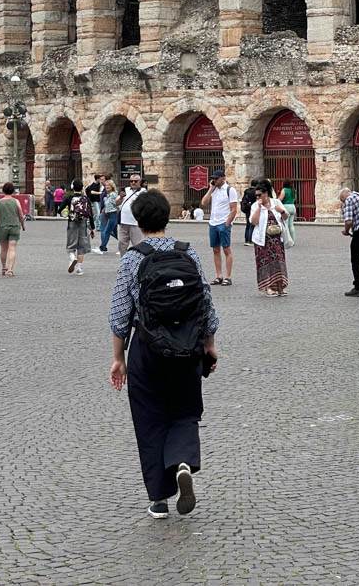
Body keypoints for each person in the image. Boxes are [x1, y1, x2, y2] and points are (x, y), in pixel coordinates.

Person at [108, 190, 219, 519]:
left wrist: (119, 359)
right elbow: (206, 303)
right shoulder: (189, 253)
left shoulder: (132, 258)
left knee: (149, 420)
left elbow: (119, 315)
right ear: (167, 217)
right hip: (187, 347)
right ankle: (182, 460)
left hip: (148, 349)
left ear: (139, 223)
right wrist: (209, 345)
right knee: (185, 411)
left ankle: (159, 498)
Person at [249, 181, 290, 296]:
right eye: (256, 195)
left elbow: (286, 217)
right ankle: (268, 287)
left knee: (279, 262)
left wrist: (281, 211)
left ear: (266, 193)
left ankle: (280, 286)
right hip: (262, 240)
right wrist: (258, 207)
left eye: (259, 195)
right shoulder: (255, 206)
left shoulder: (276, 202)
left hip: (276, 239)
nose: (257, 197)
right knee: (265, 263)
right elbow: (253, 222)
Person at [201, 170, 239, 287]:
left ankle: (228, 276)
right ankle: (219, 276)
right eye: (213, 178)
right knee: (215, 250)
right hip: (213, 222)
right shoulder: (214, 190)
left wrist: (227, 223)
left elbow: (234, 209)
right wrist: (210, 189)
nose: (214, 180)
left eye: (216, 178)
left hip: (223, 222)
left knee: (226, 249)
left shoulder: (230, 190)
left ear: (223, 178)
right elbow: (204, 203)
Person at [64, 179, 93, 276]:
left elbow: (60, 208)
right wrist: (92, 228)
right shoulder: (86, 198)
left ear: (73, 187)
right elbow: (90, 214)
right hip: (83, 224)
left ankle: (72, 258)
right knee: (81, 247)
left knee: (71, 245)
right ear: (81, 188)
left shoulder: (69, 198)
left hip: (72, 223)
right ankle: (79, 268)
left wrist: (65, 213)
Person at [118, 174, 146, 255]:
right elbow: (116, 203)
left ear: (140, 182)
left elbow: (147, 206)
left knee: (138, 244)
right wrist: (120, 197)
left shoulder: (143, 192)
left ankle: (139, 262)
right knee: (121, 243)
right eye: (131, 181)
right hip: (123, 222)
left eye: (135, 181)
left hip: (136, 223)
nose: (133, 183)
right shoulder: (126, 190)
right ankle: (124, 261)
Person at [98, 178, 120, 253]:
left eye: (108, 186)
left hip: (113, 214)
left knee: (108, 231)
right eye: (106, 185)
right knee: (113, 232)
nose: (107, 187)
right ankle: (103, 246)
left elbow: (117, 204)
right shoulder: (108, 195)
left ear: (112, 187)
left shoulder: (114, 194)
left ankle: (102, 247)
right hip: (109, 214)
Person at [280, 180, 299, 245]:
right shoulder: (293, 190)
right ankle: (293, 240)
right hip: (292, 206)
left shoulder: (284, 190)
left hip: (286, 207)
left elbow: (280, 199)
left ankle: (288, 241)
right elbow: (295, 198)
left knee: (286, 225)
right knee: (291, 225)